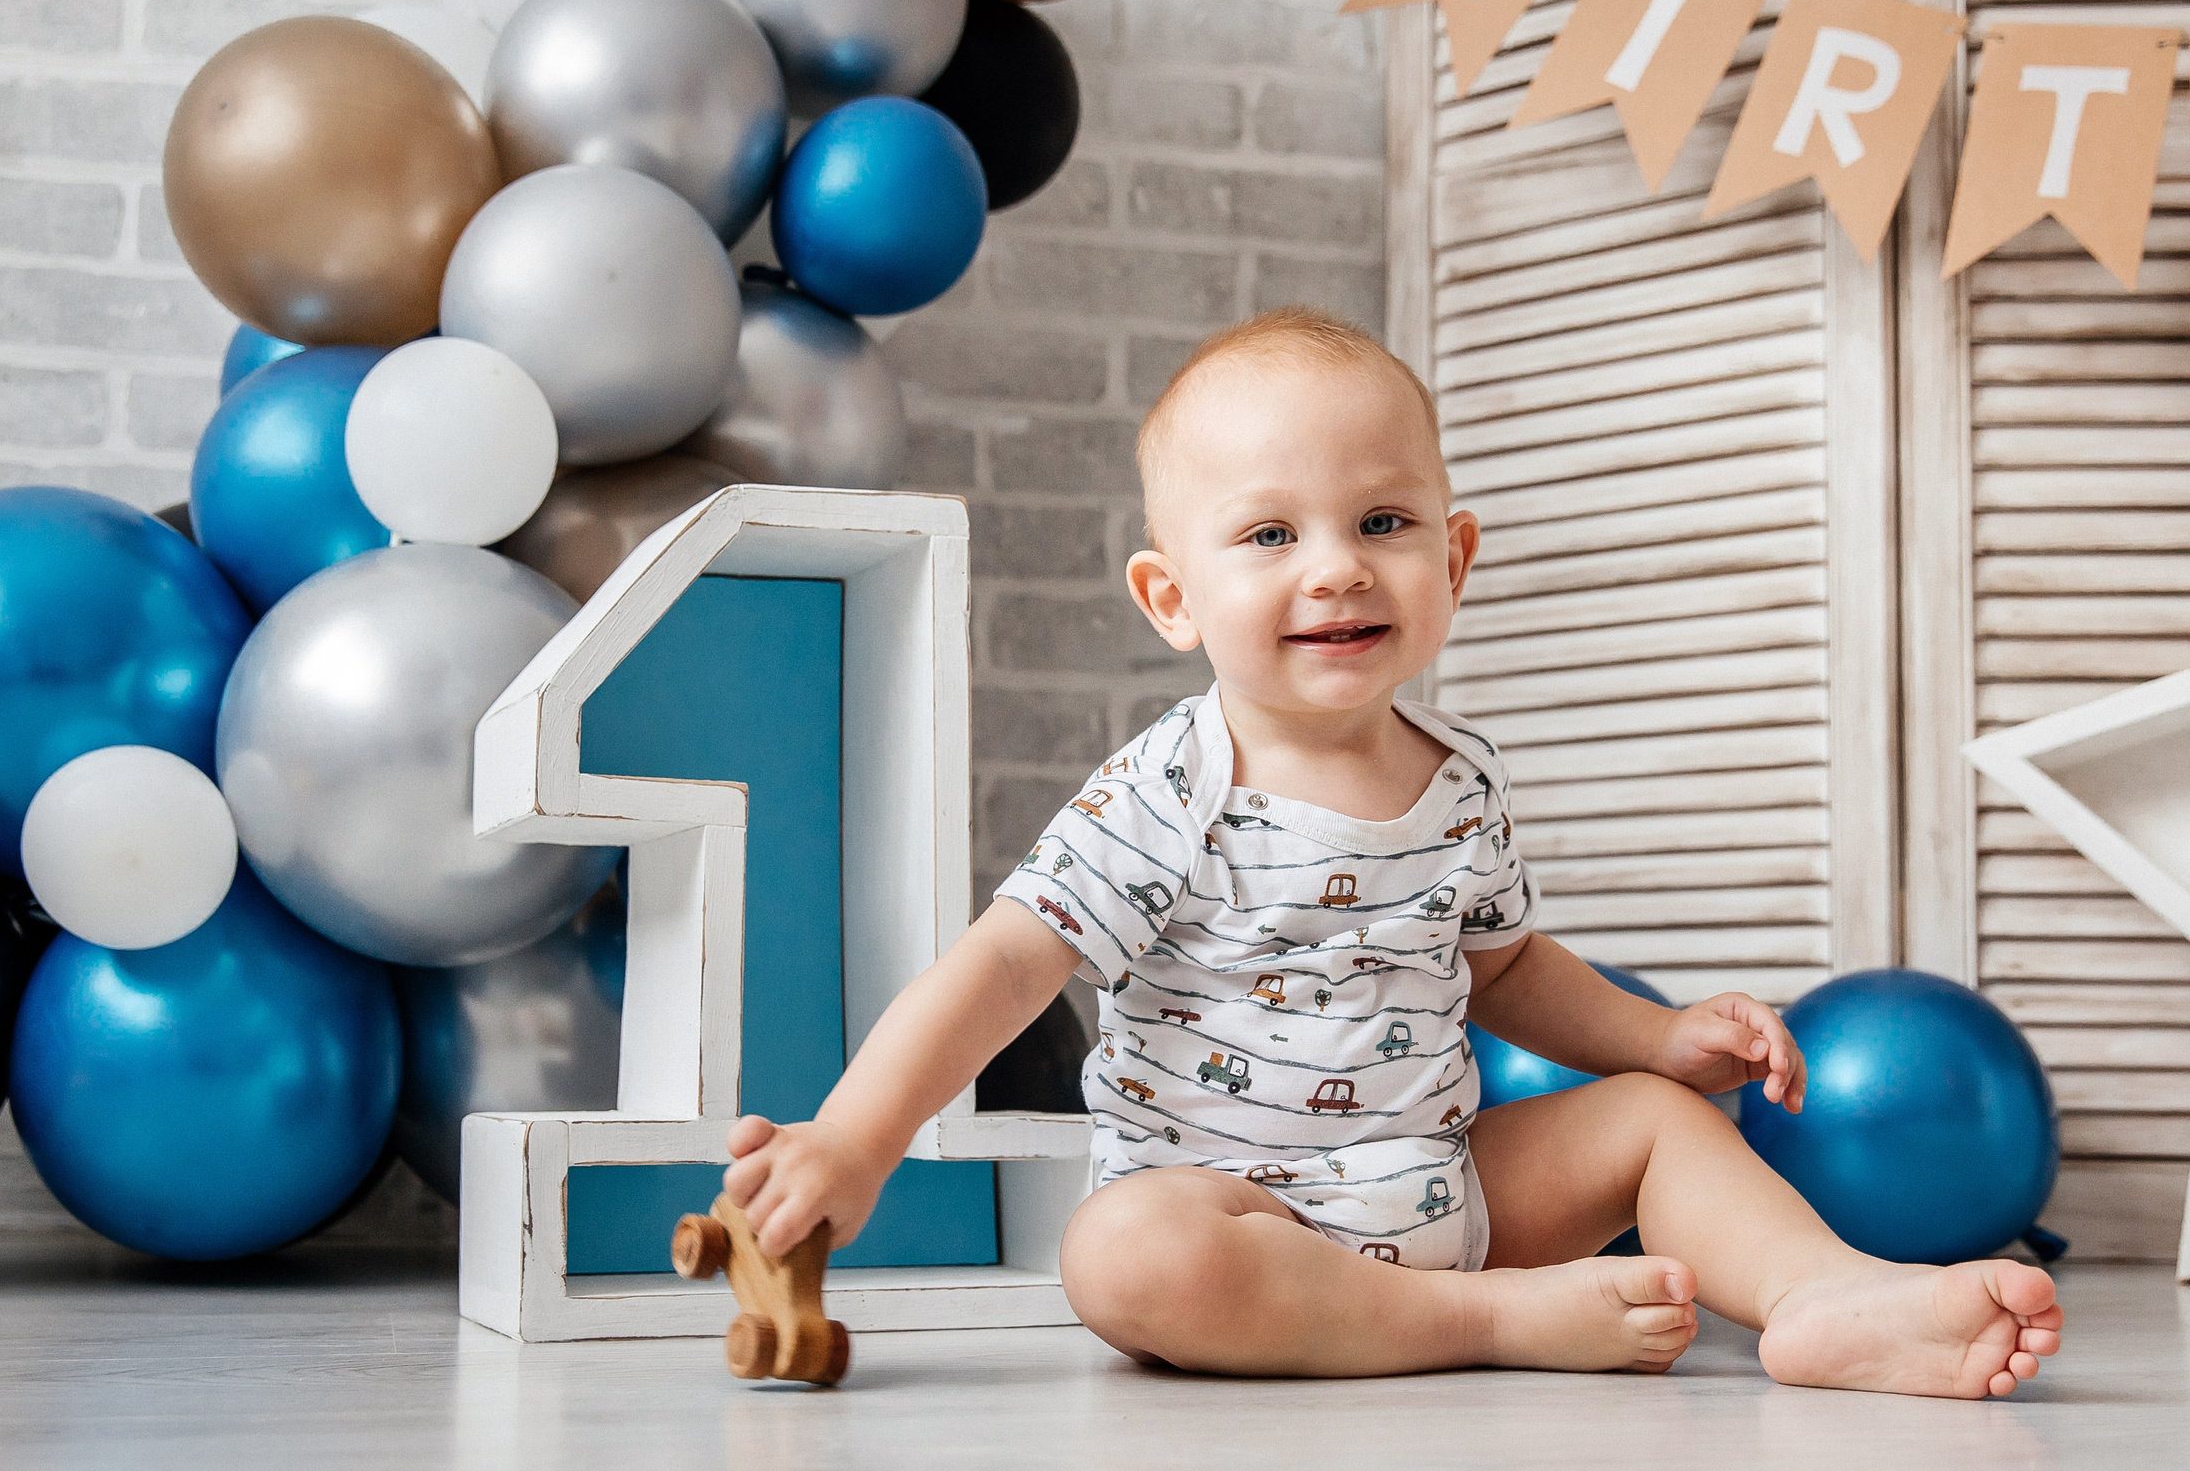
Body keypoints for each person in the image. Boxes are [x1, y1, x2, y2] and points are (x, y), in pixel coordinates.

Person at [720, 306, 2064, 1397]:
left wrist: (1656, 1045)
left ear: (1455, 555)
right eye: (1269, 534)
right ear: (1171, 597)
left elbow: (1510, 970)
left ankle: (1825, 1297)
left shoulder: (1463, 779)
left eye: (1382, 523)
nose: (1338, 569)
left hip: (1446, 1188)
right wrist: (854, 1139)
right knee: (1122, 1258)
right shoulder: (1170, 786)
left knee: (1658, 1127)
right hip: (1239, 1230)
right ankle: (1483, 1325)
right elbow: (1006, 967)